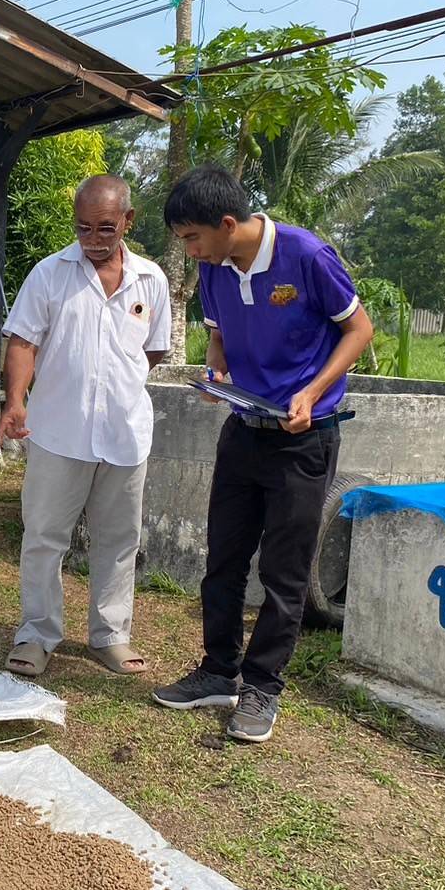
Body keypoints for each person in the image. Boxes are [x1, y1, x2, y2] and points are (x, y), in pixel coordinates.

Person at [154, 165, 373, 743]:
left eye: (192, 237)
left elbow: (359, 330)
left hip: (303, 439)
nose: (190, 251)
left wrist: (313, 391)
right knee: (223, 559)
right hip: (243, 430)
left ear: (228, 223)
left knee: (284, 570)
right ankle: (218, 671)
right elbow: (219, 334)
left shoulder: (306, 255)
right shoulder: (214, 267)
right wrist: (216, 370)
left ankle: (262, 686)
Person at [0, 176, 170, 679]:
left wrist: (114, 384)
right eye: (83, 228)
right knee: (44, 536)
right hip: (58, 431)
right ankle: (36, 634)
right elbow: (23, 342)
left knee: (118, 539)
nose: (93, 239)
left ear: (128, 222)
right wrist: (15, 401)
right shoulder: (50, 274)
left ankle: (110, 635)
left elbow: (153, 351)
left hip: (126, 434)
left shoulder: (151, 280)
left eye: (105, 228)